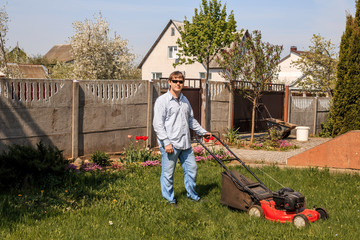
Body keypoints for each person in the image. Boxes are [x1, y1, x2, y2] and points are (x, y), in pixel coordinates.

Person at [153, 71, 211, 205]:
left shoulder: (185, 100)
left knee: (192, 170)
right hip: (170, 144)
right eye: (175, 81)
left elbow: (191, 120)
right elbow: (158, 124)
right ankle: (169, 199)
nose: (178, 84)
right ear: (169, 82)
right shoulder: (162, 101)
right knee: (168, 174)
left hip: (185, 144)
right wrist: (166, 143)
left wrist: (203, 132)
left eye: (180, 81)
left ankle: (192, 196)